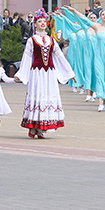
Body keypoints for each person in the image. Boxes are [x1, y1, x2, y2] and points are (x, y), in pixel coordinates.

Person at [15, 9, 75, 138]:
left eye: (44, 21)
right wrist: (20, 74)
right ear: (35, 24)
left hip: (49, 74)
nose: (42, 23)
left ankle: (43, 127)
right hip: (37, 73)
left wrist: (70, 73)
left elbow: (59, 57)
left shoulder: (51, 40)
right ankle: (34, 126)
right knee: (38, 96)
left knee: (48, 97)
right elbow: (26, 57)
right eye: (39, 21)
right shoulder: (32, 40)